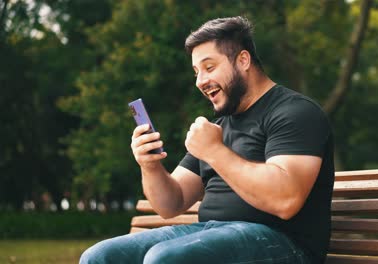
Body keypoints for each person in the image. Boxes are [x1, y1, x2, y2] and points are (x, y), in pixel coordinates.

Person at [80, 16, 334, 264]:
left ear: (243, 60)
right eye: (196, 72)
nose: (201, 81)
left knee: (165, 259)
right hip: (210, 233)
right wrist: (150, 165)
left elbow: (285, 201)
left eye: (209, 67)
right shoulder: (219, 127)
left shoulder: (295, 112)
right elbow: (172, 203)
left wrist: (214, 151)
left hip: (284, 243)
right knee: (99, 257)